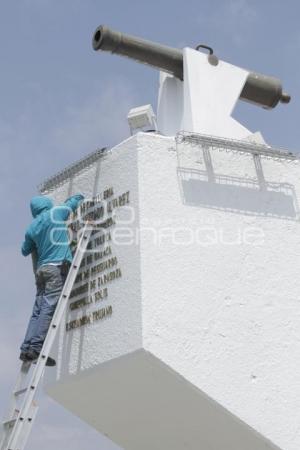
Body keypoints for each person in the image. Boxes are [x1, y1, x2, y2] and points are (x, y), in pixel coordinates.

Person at [20, 194, 84, 366]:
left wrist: (36, 241)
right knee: (48, 307)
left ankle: (26, 348)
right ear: (47, 205)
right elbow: (72, 204)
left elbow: (24, 250)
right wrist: (79, 196)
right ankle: (36, 348)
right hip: (55, 268)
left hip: (41, 272)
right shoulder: (55, 213)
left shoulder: (31, 228)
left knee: (38, 310)